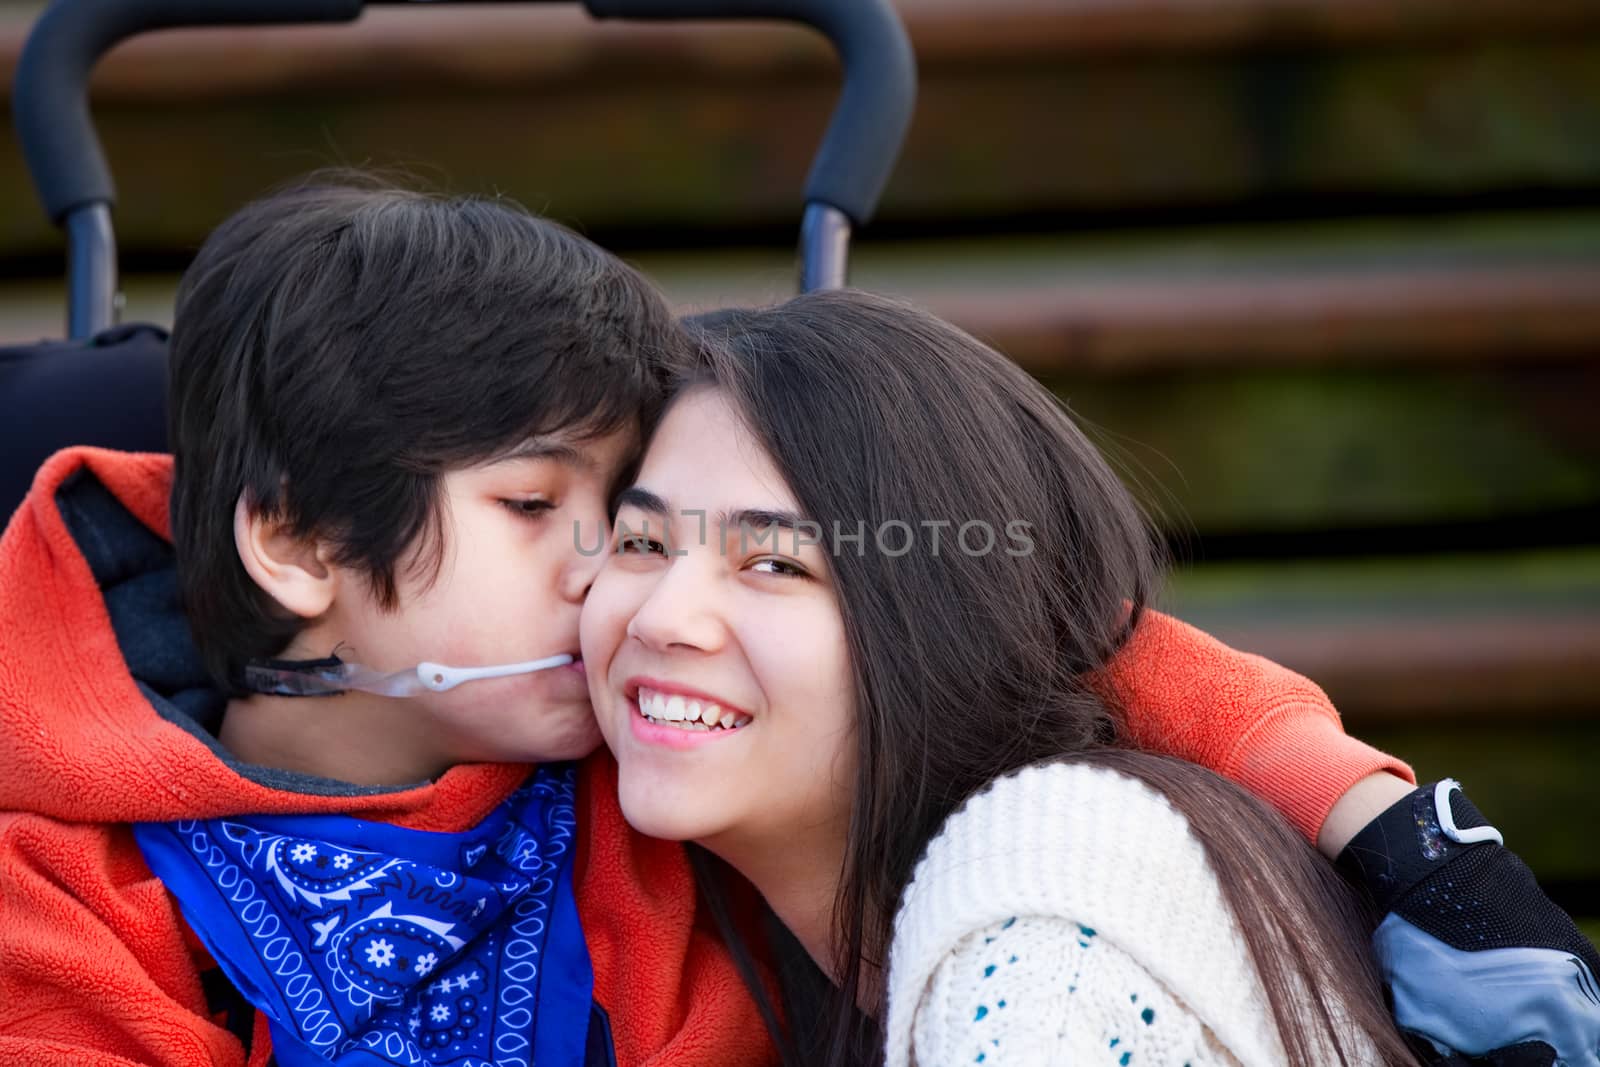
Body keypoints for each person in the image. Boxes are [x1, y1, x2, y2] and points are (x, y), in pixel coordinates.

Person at [579, 289, 1600, 1066]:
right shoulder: (713, 925)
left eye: (774, 563)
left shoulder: (1046, 940)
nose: (664, 616)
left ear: (939, 624)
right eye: (637, 541)